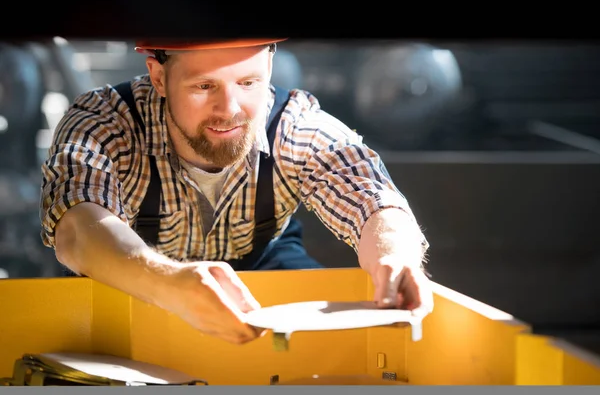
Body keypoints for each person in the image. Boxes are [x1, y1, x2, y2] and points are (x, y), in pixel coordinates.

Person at [39, 38, 434, 345]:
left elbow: (370, 194)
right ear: (158, 77)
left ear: (270, 66)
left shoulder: (294, 125)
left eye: (248, 82)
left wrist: (396, 260)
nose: (229, 108)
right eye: (204, 86)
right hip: (131, 280)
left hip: (265, 271)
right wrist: (168, 284)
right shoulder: (106, 121)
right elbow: (77, 229)